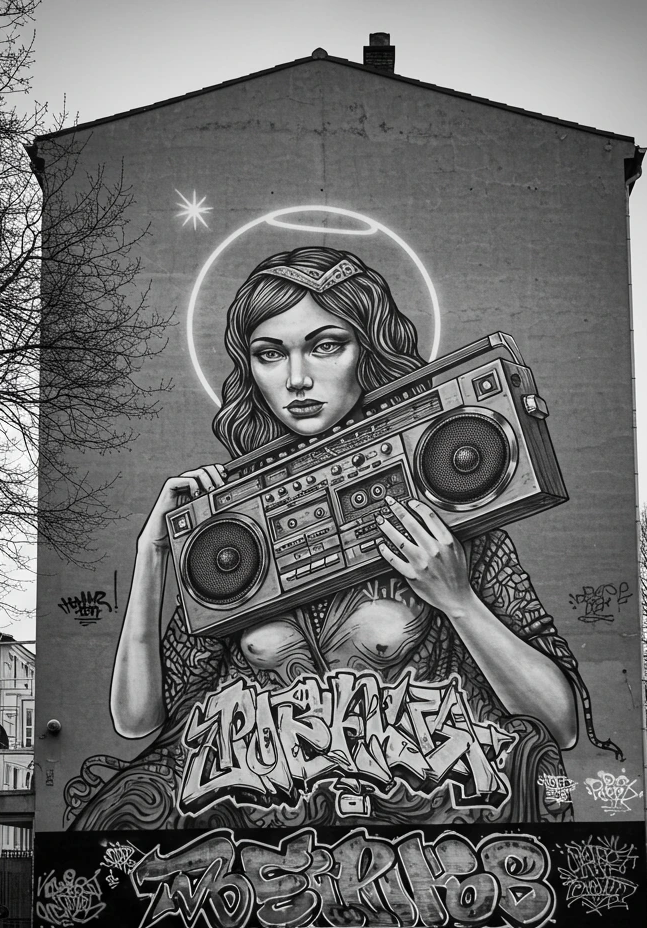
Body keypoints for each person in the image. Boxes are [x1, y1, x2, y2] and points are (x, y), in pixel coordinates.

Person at [65, 246, 618, 831]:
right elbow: (137, 719)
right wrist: (152, 556)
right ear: (249, 370)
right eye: (270, 354)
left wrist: (457, 600)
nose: (297, 378)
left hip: (426, 847)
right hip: (258, 856)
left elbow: (559, 721)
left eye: (326, 345)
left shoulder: (453, 524)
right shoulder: (231, 533)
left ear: (368, 350)